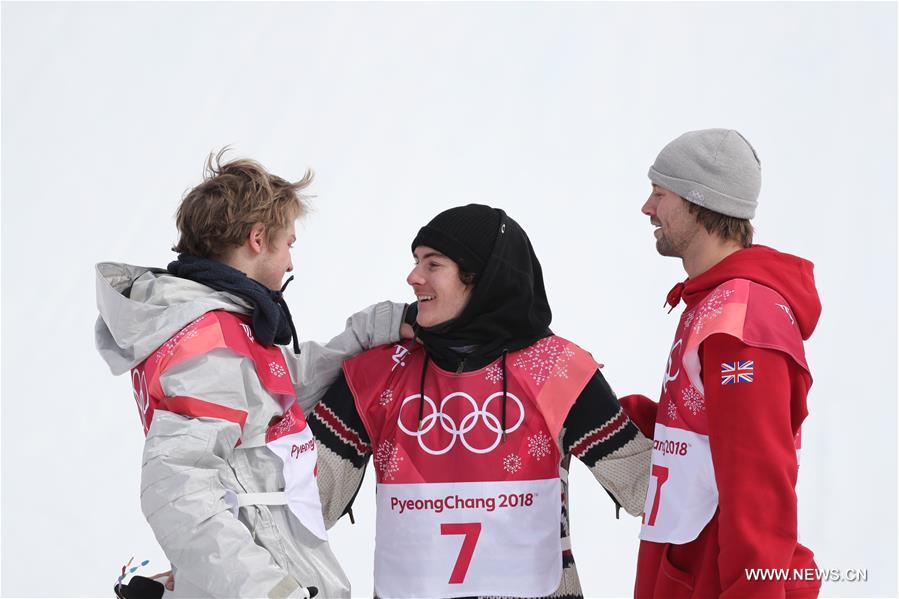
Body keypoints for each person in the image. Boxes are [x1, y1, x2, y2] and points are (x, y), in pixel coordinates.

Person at [95, 151, 410, 598]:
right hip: (274, 570)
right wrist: (269, 591)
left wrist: (376, 328)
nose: (291, 264)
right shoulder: (207, 343)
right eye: (289, 245)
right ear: (258, 238)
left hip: (278, 557)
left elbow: (278, 393)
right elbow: (176, 486)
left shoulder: (220, 325)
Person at [308, 204, 652, 599]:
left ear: (480, 278)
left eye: (432, 264)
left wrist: (708, 422)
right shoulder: (378, 373)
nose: (413, 276)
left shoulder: (558, 370)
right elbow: (302, 502)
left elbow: (648, 489)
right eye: (416, 261)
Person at [621, 129, 821, 598]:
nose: (647, 208)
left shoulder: (742, 320)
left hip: (716, 581)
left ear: (697, 201)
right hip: (686, 570)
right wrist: (602, 415)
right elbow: (701, 435)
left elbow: (757, 484)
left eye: (659, 193)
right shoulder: (713, 302)